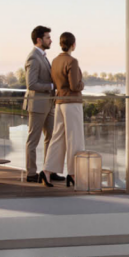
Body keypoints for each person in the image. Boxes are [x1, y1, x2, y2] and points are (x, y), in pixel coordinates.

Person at [43, 32, 85, 187]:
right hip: (72, 103)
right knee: (74, 139)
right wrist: (82, 84)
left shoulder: (55, 61)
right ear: (73, 45)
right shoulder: (72, 61)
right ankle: (73, 174)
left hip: (59, 102)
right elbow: (75, 85)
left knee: (57, 137)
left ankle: (47, 171)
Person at [23, 25, 61, 184]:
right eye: (47, 37)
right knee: (33, 139)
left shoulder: (43, 56)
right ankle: (31, 173)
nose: (51, 40)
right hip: (38, 104)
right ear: (39, 40)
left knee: (52, 138)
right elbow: (31, 84)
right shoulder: (33, 57)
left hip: (48, 104)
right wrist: (52, 87)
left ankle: (48, 171)